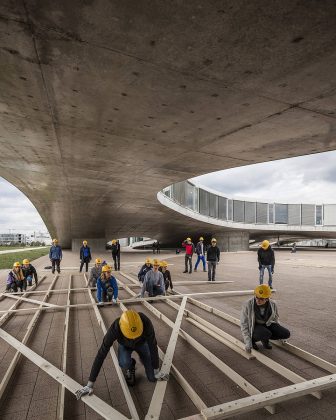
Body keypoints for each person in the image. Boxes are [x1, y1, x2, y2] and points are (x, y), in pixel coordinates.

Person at [75, 310, 168, 398]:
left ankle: (144, 359)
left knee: (153, 378)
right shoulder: (115, 329)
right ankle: (131, 365)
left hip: (142, 344)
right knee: (124, 362)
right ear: (122, 329)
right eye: (130, 337)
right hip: (125, 346)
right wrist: (89, 384)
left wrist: (156, 370)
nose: (133, 338)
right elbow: (101, 354)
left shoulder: (146, 322)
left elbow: (153, 346)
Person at [241, 285, 290, 352]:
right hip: (255, 326)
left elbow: (276, 319)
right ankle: (252, 340)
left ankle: (264, 339)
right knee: (265, 333)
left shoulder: (273, 304)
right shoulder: (247, 304)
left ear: (267, 299)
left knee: (286, 333)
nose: (258, 300)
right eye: (257, 297)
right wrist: (247, 342)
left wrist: (281, 338)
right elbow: (244, 324)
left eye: (261, 299)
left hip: (267, 324)